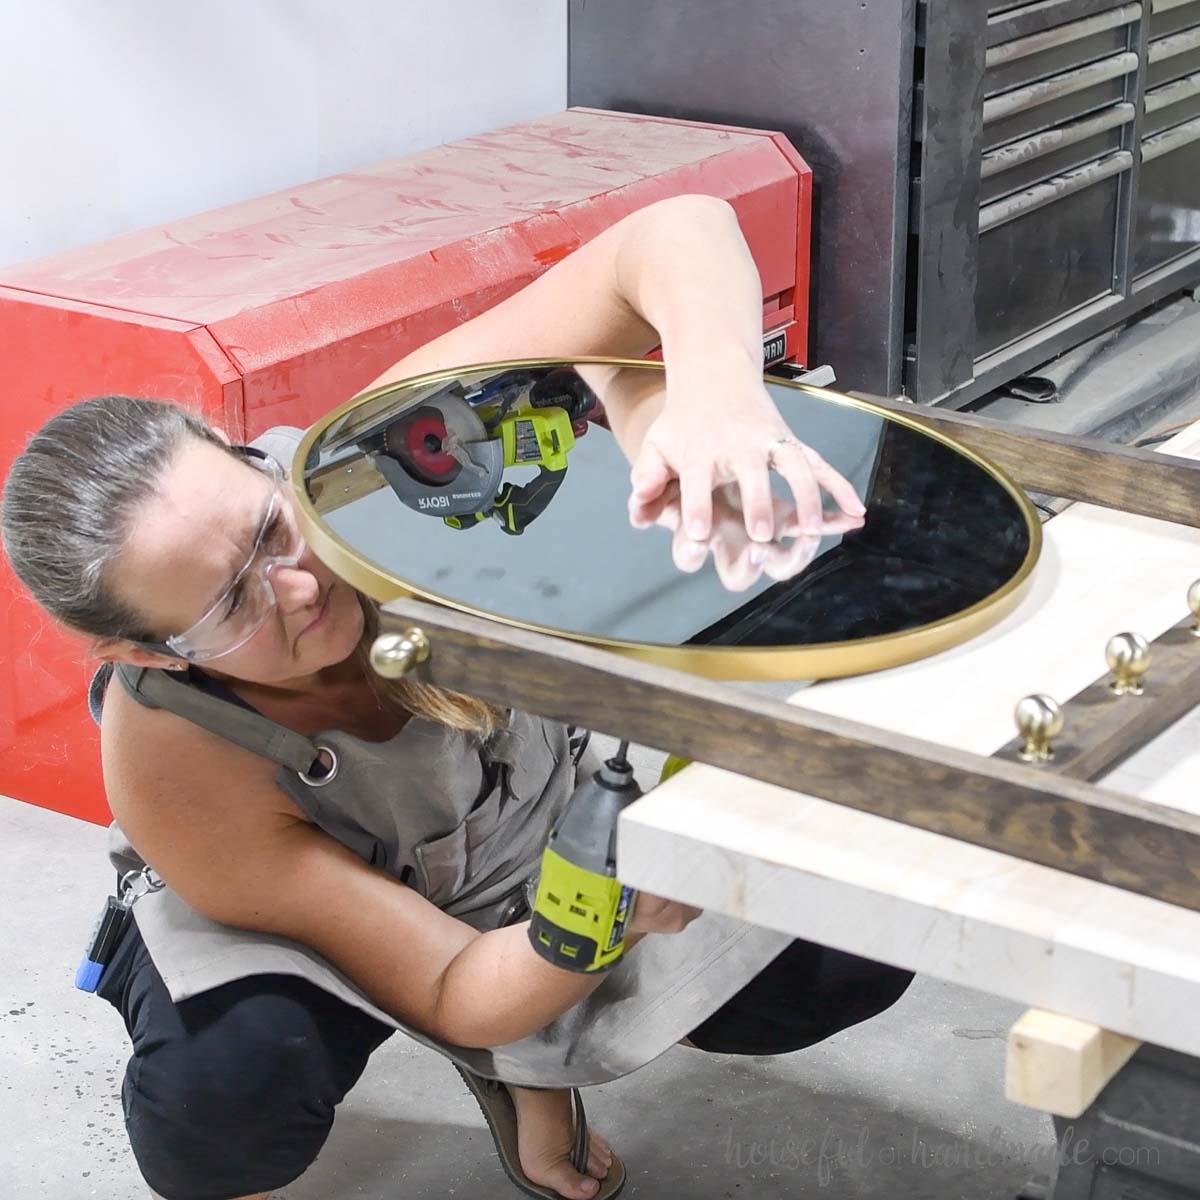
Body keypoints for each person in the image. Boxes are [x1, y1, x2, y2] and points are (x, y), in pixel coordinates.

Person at [2, 194, 912, 1200]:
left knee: (844, 950)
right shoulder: (175, 764)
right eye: (229, 604)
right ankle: (490, 1072)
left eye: (267, 527)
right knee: (229, 1088)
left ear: (242, 450)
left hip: (512, 832)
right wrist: (596, 914)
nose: (298, 589)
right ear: (153, 653)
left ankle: (526, 1074)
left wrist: (712, 392)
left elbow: (678, 230)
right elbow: (445, 984)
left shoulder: (376, 458)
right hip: (318, 922)